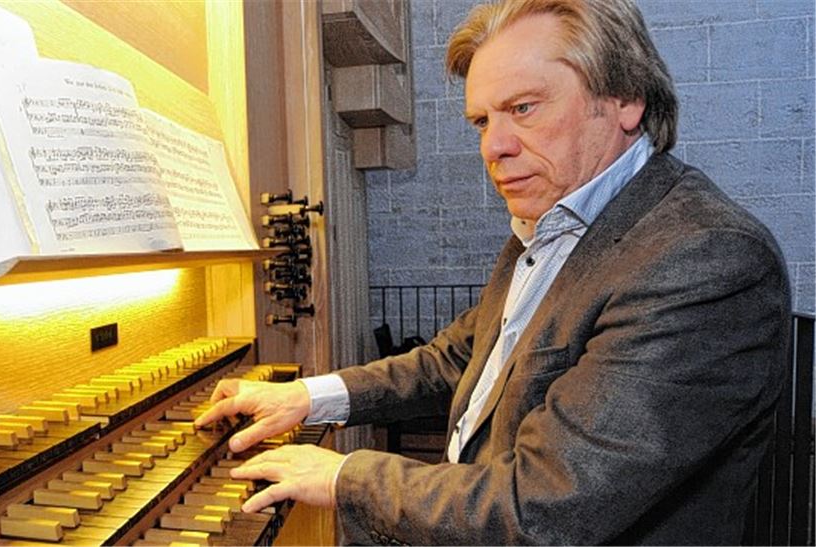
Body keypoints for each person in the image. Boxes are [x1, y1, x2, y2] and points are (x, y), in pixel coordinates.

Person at [194, 0, 793, 544]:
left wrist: (345, 475)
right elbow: (464, 356)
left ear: (625, 100)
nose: (494, 146)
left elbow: (547, 507)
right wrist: (309, 397)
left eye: (523, 108)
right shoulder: (553, 220)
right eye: (481, 121)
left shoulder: (702, 258)